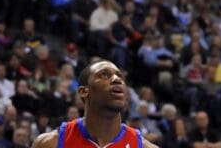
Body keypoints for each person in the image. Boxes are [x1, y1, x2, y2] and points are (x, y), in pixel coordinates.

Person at [31, 59, 160, 148]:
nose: (117, 80)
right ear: (83, 91)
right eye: (104, 75)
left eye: (120, 76)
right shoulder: (49, 144)